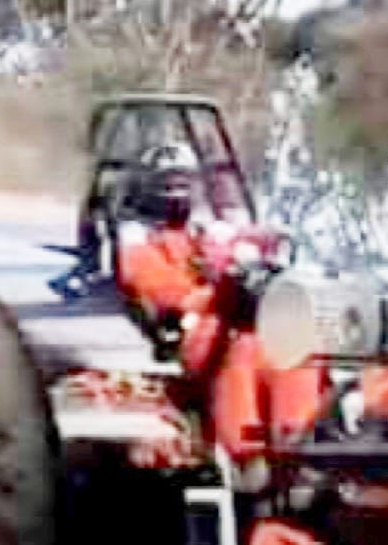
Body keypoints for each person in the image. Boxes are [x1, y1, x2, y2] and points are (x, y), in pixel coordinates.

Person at [115, 142, 319, 463]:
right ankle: (243, 455)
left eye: (183, 181)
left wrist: (270, 242)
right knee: (241, 351)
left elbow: (242, 241)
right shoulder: (138, 241)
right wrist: (222, 291)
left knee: (291, 348)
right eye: (167, 183)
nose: (176, 191)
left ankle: (297, 448)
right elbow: (161, 292)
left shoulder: (208, 230)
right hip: (193, 333)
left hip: (241, 325)